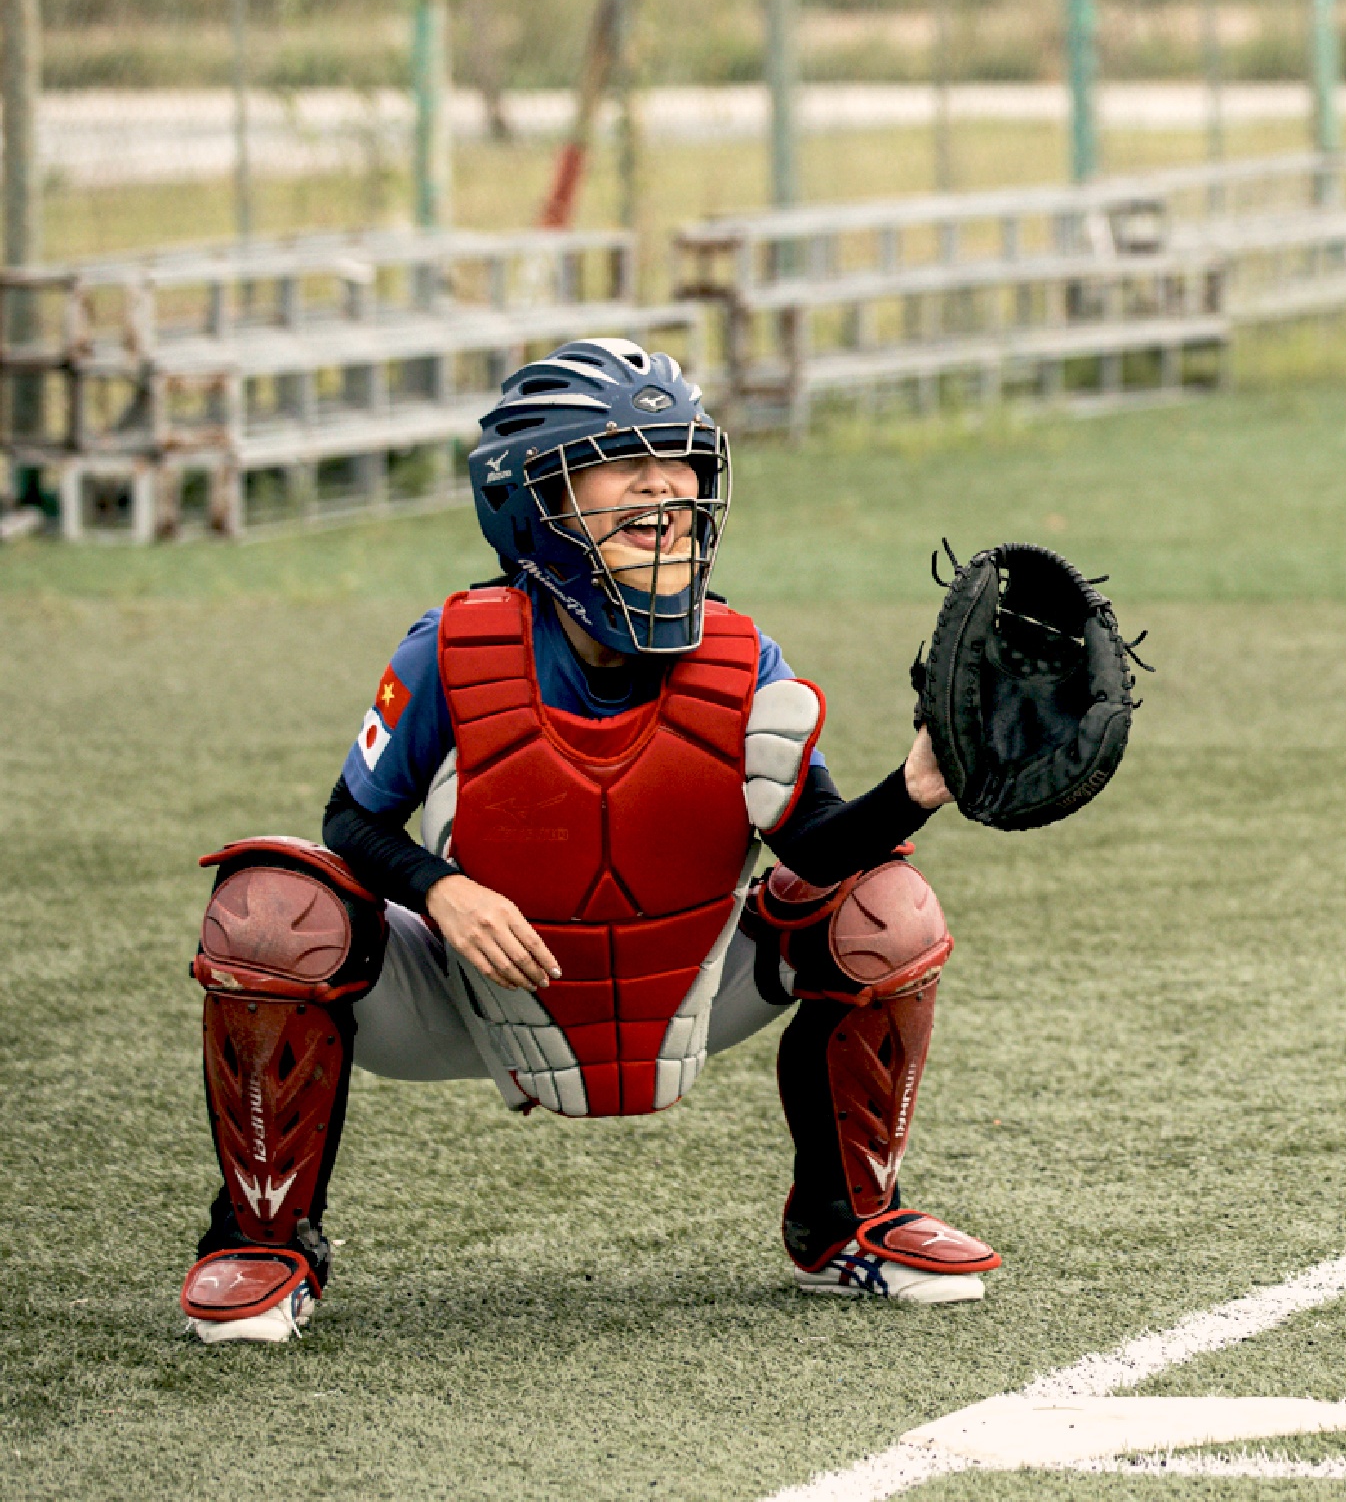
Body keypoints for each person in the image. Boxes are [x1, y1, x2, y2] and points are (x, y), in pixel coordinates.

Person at [181, 338, 998, 1343]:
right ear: (535, 501)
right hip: (474, 994)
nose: (666, 485)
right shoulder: (451, 648)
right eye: (624, 461)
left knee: (886, 910)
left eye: (681, 460)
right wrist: (439, 889)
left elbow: (816, 852)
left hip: (684, 987)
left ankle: (848, 1224)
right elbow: (350, 821)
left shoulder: (745, 656)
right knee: (269, 912)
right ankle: (263, 1243)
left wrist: (916, 789)